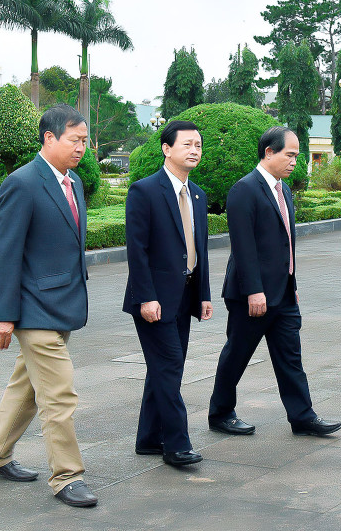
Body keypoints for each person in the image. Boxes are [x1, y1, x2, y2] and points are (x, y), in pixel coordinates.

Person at [0, 104, 98, 508]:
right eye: (75, 139)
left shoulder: (74, 182)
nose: (82, 147)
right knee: (59, 395)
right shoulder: (23, 183)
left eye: (84, 140)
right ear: (49, 138)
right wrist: (3, 315)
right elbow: (6, 252)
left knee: (27, 388)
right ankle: (67, 476)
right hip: (33, 310)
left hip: (62, 302)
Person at [208, 126, 340, 437]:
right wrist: (255, 291)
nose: (295, 161)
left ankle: (303, 416)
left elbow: (285, 244)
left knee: (291, 358)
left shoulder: (284, 190)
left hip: (283, 293)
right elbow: (243, 247)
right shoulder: (245, 190)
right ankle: (220, 413)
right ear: (269, 152)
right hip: (250, 296)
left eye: (297, 155)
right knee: (237, 354)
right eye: (290, 154)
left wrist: (292, 285)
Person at [122, 120, 212, 467]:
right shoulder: (145, 191)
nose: (194, 150)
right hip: (153, 299)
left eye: (199, 145)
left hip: (185, 296)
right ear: (167, 149)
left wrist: (203, 294)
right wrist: (146, 297)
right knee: (170, 366)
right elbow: (137, 250)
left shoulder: (198, 194)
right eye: (187, 144)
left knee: (162, 368)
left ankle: (148, 439)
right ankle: (176, 444)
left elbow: (198, 249)